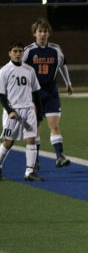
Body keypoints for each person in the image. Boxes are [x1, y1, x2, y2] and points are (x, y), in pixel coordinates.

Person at [23, 17, 73, 171]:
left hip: (51, 93)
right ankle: (35, 160)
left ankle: (59, 157)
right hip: (34, 94)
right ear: (34, 34)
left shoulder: (56, 49)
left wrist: (68, 82)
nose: (43, 34)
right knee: (35, 128)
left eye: (45, 31)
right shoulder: (28, 51)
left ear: (49, 33)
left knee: (55, 126)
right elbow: (21, 71)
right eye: (40, 31)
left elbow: (62, 65)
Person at [0, 41, 44, 182]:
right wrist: (9, 110)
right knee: (8, 142)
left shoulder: (29, 70)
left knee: (31, 139)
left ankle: (29, 172)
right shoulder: (4, 71)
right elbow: (1, 95)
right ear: (10, 53)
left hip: (28, 109)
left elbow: (36, 93)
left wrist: (40, 113)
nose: (18, 54)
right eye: (15, 51)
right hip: (13, 111)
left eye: (20, 51)